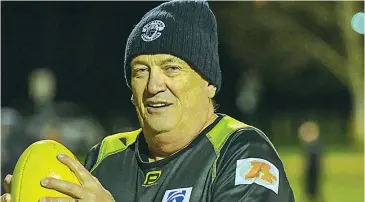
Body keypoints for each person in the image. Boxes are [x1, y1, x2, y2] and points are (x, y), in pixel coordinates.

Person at [1, 1, 295, 202]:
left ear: (209, 84)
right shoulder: (106, 156)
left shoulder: (242, 151)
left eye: (172, 68)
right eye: (141, 71)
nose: (154, 85)